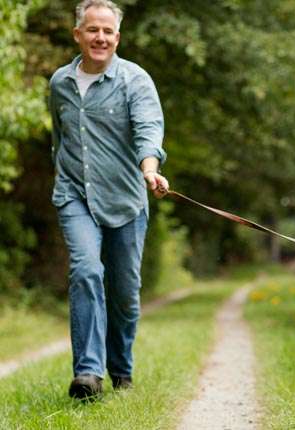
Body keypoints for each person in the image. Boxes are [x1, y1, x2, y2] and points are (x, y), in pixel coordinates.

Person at [49, 0, 169, 400]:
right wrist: (63, 177)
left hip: (125, 200)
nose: (100, 37)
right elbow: (60, 139)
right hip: (75, 195)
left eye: (108, 31)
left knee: (124, 293)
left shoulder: (135, 81)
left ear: (117, 37)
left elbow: (148, 130)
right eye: (92, 29)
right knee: (85, 271)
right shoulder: (60, 83)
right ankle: (88, 374)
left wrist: (149, 168)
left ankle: (121, 371)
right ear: (78, 34)